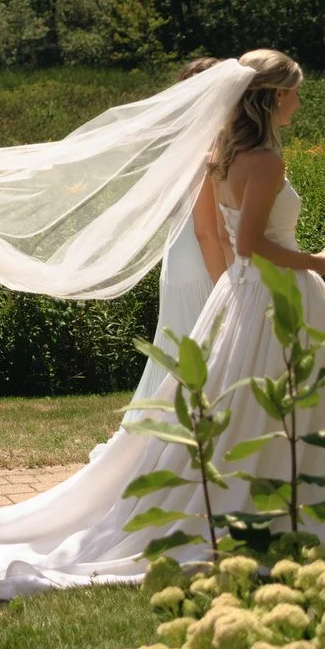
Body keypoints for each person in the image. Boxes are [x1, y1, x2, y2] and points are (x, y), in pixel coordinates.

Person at [0, 51, 325, 597]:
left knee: (254, 402)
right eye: (295, 92)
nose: (299, 103)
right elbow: (253, 244)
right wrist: (321, 261)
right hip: (276, 291)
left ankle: (281, 506)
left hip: (240, 292)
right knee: (314, 397)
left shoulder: (222, 157)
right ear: (273, 97)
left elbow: (234, 240)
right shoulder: (265, 161)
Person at [125, 58, 234, 424]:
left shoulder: (182, 142)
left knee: (181, 352)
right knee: (202, 349)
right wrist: (227, 287)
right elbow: (207, 229)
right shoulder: (210, 144)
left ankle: (163, 429)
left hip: (180, 255)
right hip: (202, 256)